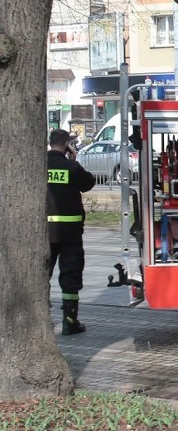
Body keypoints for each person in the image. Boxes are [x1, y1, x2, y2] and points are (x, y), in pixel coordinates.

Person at [47, 128, 95, 335]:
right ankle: (69, 321)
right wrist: (74, 160)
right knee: (70, 276)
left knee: (42, 275)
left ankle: (42, 320)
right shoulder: (71, 167)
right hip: (70, 234)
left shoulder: (37, 166)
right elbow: (89, 183)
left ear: (50, 143)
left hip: (45, 233)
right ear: (67, 144)